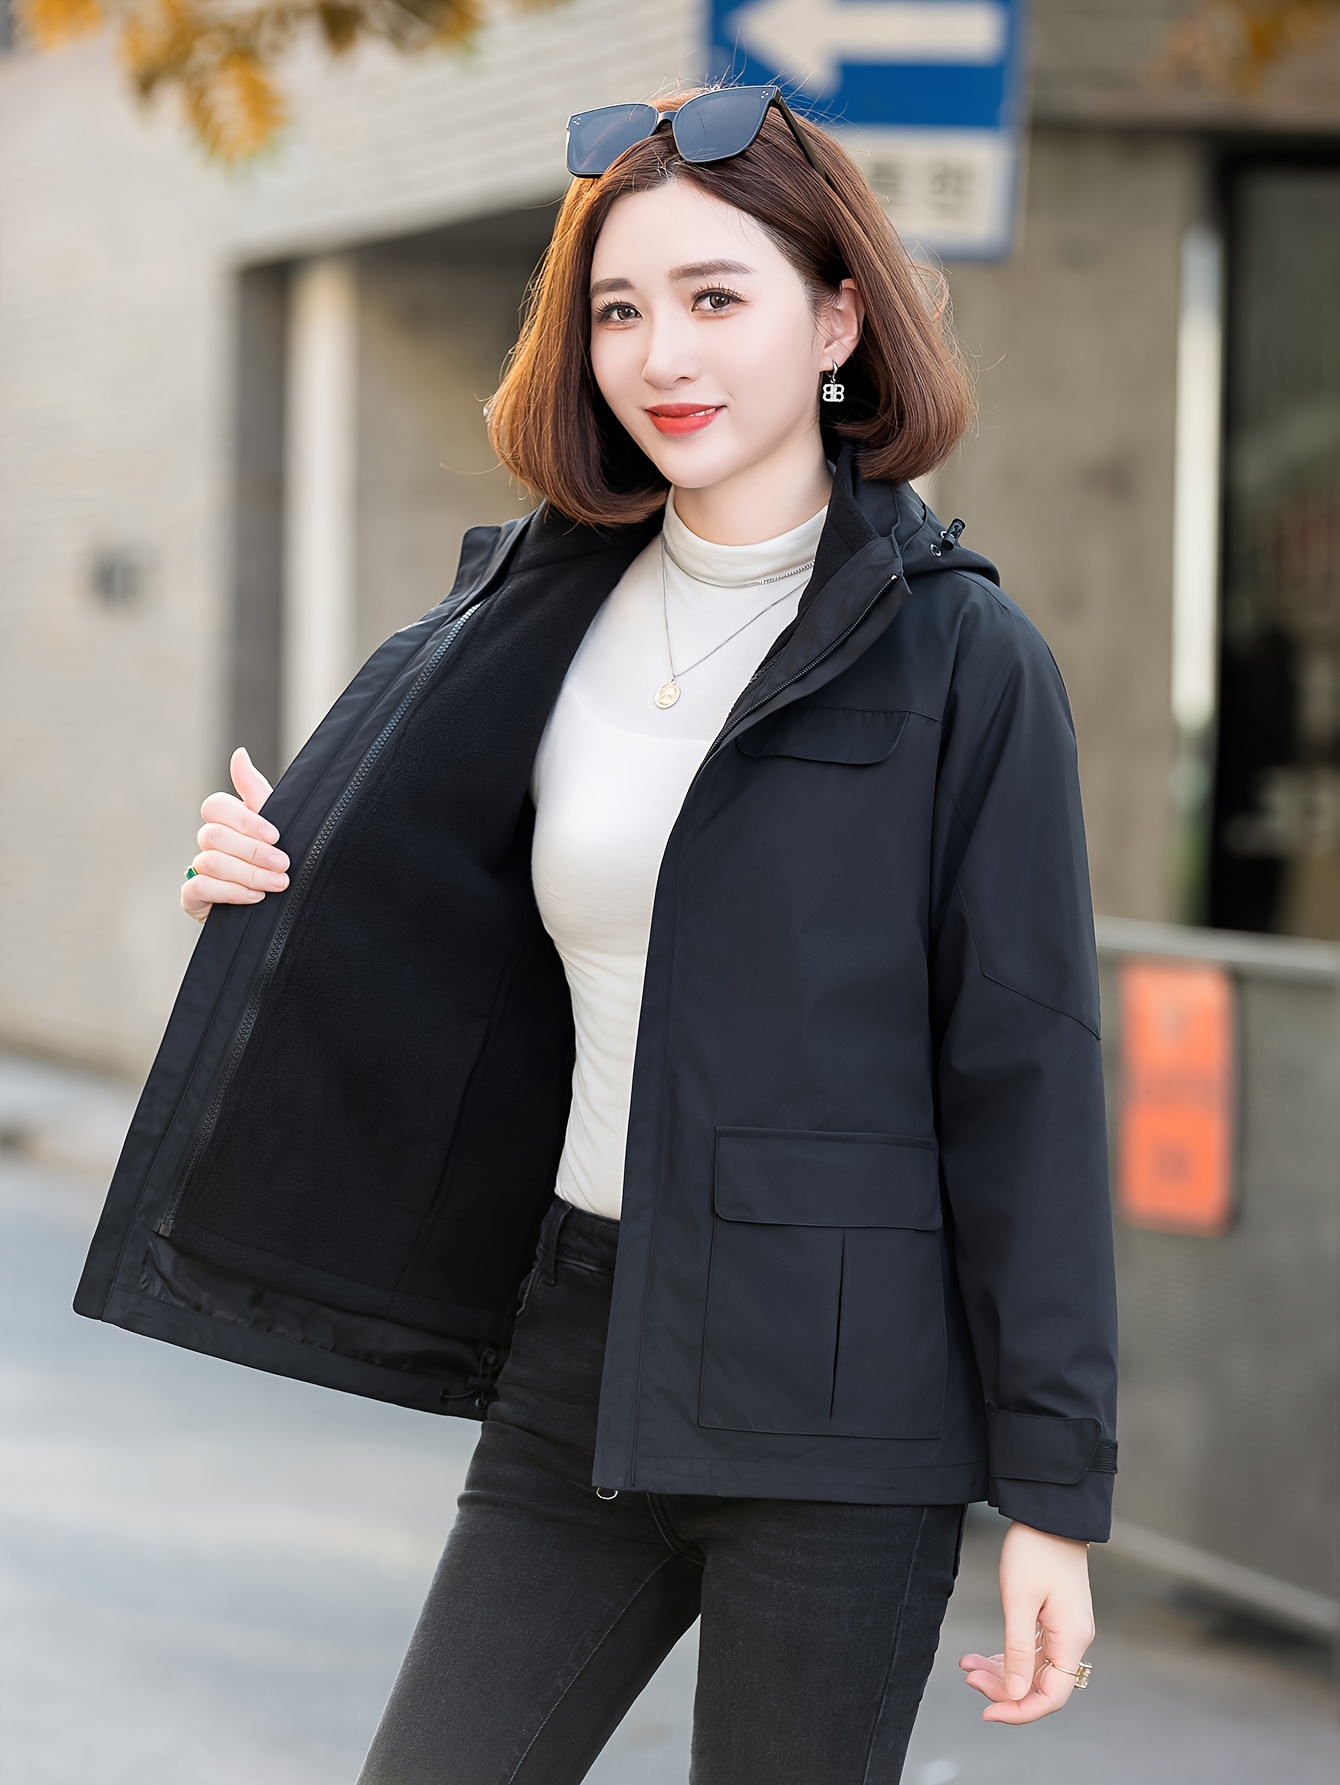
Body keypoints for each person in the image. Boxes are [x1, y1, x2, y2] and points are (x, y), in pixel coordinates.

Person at [76, 85, 1116, 1784]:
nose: (661, 354)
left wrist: (1055, 1495)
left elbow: (1029, 1076)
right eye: (619, 310)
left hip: (846, 1402)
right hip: (583, 1344)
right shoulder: (526, 617)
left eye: (716, 297)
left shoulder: (964, 663)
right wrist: (271, 883)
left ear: (837, 320)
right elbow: (449, 933)